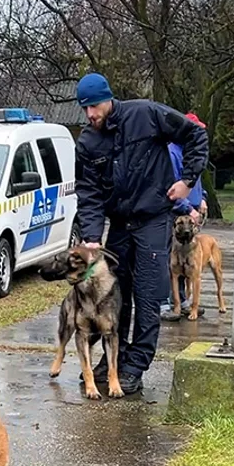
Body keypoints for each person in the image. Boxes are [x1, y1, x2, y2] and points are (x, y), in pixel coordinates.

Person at [74, 73, 209, 394]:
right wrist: (92, 236)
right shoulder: (88, 142)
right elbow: (89, 193)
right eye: (85, 109)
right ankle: (112, 360)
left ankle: (136, 364)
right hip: (120, 224)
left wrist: (188, 181)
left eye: (94, 106)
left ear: (108, 99)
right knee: (114, 297)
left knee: (147, 297)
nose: (91, 115)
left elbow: (195, 136)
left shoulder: (145, 115)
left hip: (152, 219)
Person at [161, 111, 210, 321]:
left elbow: (196, 179)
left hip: (193, 212)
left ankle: (183, 301)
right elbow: (170, 185)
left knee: (188, 260)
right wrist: (187, 209)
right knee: (171, 261)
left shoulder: (191, 152)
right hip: (178, 215)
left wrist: (203, 199)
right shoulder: (172, 153)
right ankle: (167, 303)